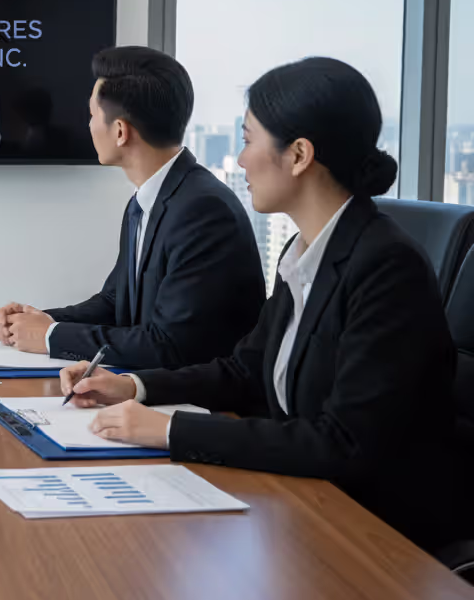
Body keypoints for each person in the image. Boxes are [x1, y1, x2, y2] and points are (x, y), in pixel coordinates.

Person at [60, 57, 468, 553]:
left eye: (249, 139)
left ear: (298, 155)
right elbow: (245, 370)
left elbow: (343, 443)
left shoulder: (386, 268)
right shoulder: (304, 253)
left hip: (374, 538)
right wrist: (134, 386)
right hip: (300, 508)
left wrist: (171, 429)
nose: (240, 159)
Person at [0, 47, 264, 370]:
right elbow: (115, 302)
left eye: (92, 115)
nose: (88, 125)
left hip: (201, 407)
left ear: (120, 132)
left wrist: (52, 336)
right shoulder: (146, 200)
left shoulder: (203, 211)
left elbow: (169, 345)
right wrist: (41, 320)